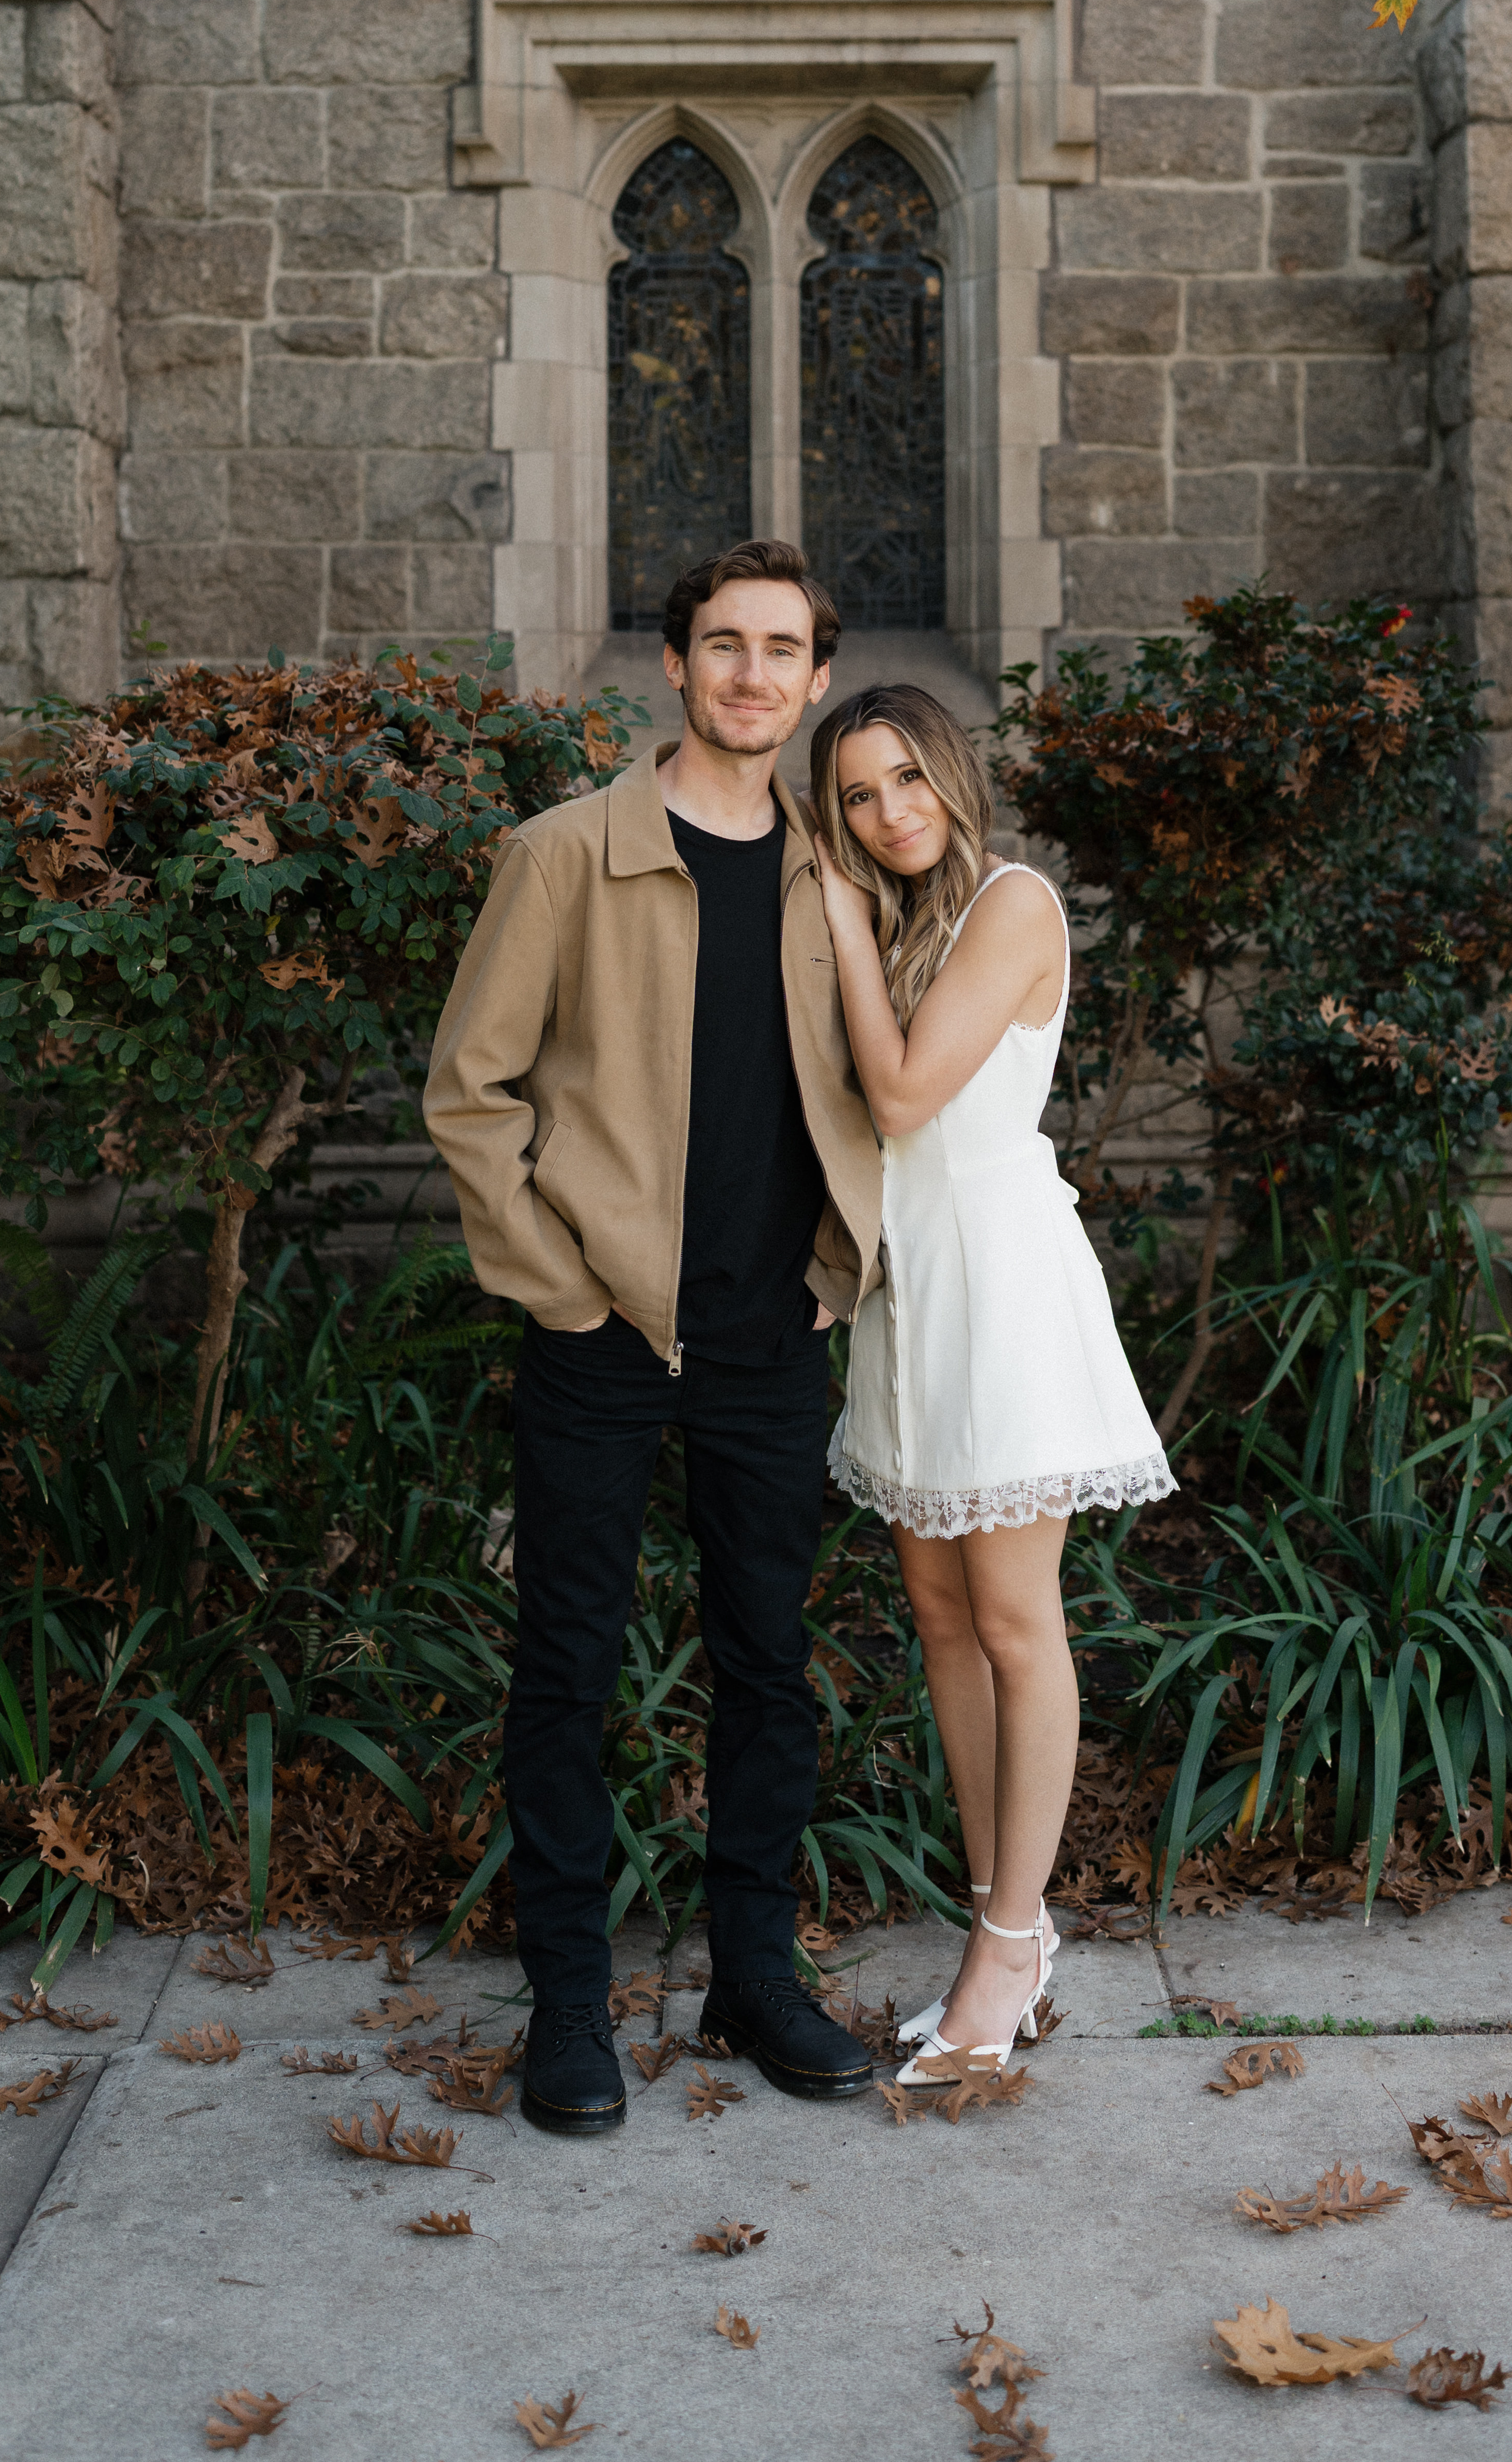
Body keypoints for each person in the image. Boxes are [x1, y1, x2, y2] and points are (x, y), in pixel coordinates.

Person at [423, 540, 882, 2137]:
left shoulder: (838, 873)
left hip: (770, 1340)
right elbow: (467, 1092)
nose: (752, 673)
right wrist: (554, 1284)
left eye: (781, 650)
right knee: (568, 1665)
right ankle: (567, 1997)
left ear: (815, 682)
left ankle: (753, 1970)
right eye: (721, 643)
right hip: (599, 1330)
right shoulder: (564, 854)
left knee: (767, 1666)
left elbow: (874, 1086)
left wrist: (840, 1256)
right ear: (674, 664)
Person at [805, 682, 1175, 2084]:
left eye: (906, 779)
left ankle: (1013, 1942)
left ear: (952, 778)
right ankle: (991, 1915)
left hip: (1003, 1285)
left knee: (1016, 1620)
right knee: (937, 1616)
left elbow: (902, 1099)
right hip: (910, 1297)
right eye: (854, 795)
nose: (887, 812)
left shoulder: (1009, 903)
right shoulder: (901, 926)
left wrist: (837, 917)